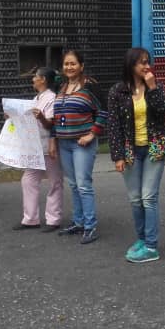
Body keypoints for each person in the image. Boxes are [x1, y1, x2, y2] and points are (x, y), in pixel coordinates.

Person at [108, 48, 165, 264]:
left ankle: (152, 246)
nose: (146, 66)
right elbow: (114, 125)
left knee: (148, 197)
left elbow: (164, 110)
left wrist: (153, 88)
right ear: (130, 65)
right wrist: (117, 156)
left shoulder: (156, 86)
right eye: (141, 63)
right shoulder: (118, 91)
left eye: (147, 62)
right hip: (130, 150)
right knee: (135, 199)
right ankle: (142, 239)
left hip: (154, 148)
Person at [50, 50, 107, 243]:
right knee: (73, 184)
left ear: (81, 66)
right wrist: (53, 138)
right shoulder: (61, 87)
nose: (69, 67)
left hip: (82, 143)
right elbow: (56, 116)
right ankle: (78, 221)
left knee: (83, 184)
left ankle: (90, 226)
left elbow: (104, 112)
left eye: (73, 63)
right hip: (64, 142)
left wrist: (92, 134)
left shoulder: (90, 86)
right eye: (66, 64)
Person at [13, 67, 66, 232]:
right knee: (28, 180)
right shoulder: (36, 99)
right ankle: (30, 219)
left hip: (48, 146)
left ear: (43, 79)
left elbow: (51, 124)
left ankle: (53, 219)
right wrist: (13, 116)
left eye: (35, 76)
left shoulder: (51, 98)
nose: (33, 79)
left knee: (55, 181)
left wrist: (41, 117)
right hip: (34, 147)